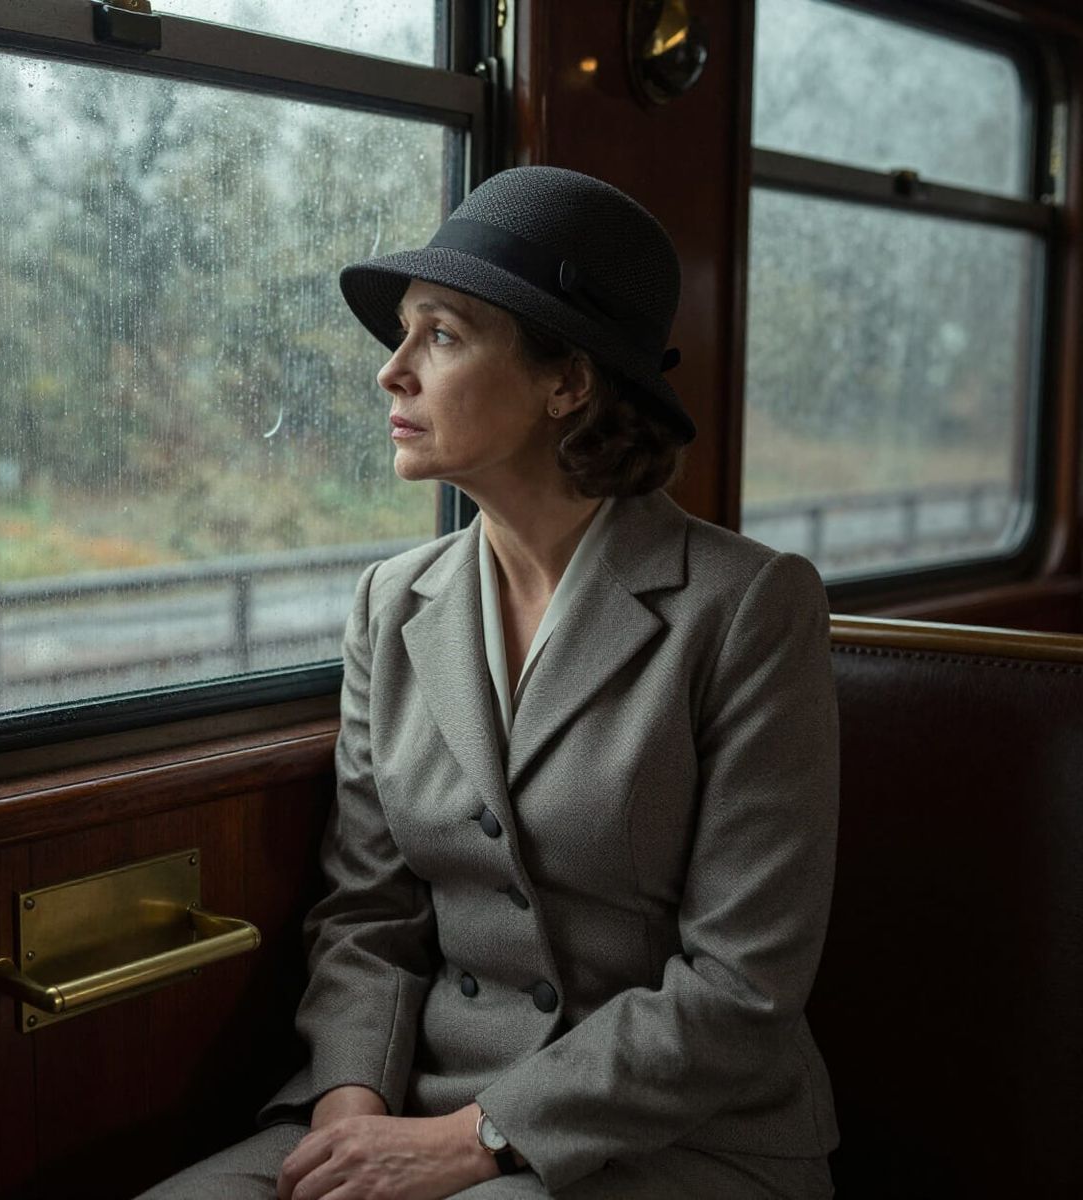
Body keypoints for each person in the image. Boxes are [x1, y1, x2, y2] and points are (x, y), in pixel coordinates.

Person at [139, 166, 839, 1198]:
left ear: (567, 383)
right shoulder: (392, 602)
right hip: (418, 1097)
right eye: (402, 334)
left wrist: (481, 1137)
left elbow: (742, 984)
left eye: (444, 335)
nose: (393, 371)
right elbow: (367, 915)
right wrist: (351, 1111)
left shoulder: (744, 607)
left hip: (678, 1136)